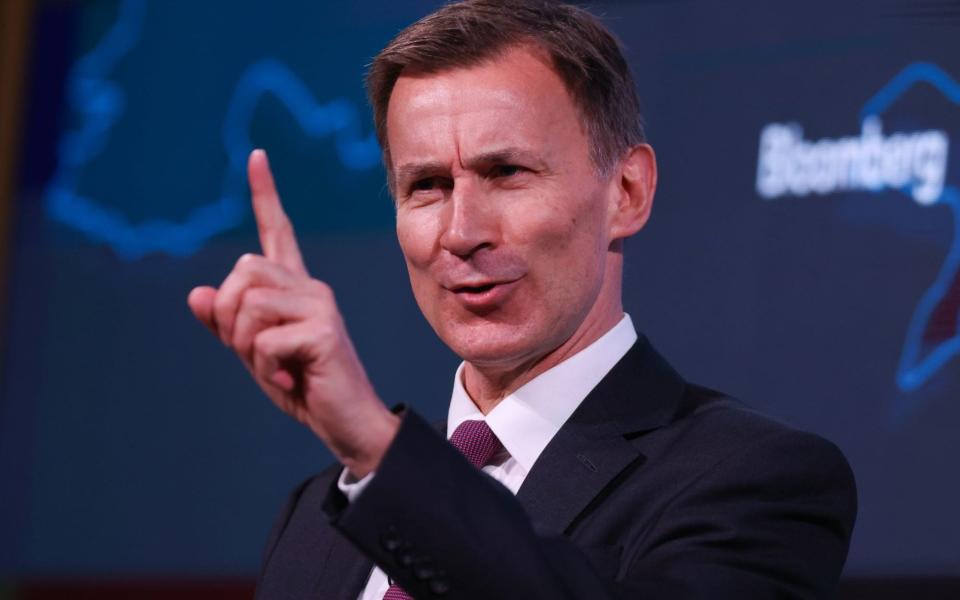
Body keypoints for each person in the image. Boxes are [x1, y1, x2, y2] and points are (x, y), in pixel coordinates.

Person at [187, 1, 857, 598]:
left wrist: (376, 446)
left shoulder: (756, 480)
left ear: (627, 193)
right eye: (426, 185)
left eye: (506, 172)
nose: (461, 232)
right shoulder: (320, 515)